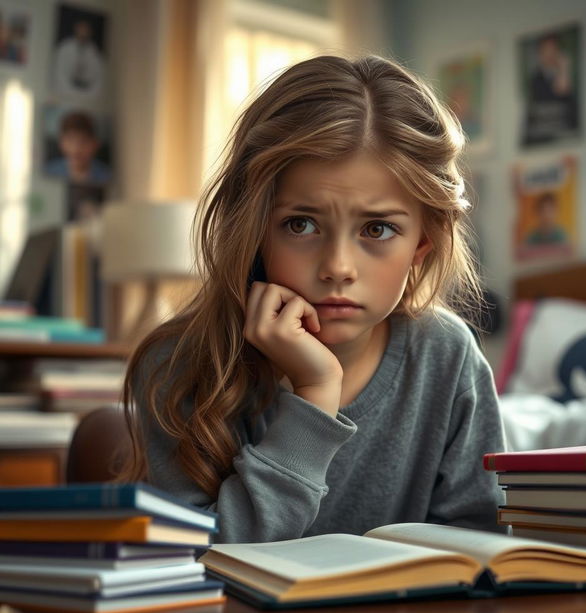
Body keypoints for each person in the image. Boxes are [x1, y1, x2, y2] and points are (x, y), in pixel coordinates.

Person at [119, 55, 506, 543]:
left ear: (421, 243)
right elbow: (200, 564)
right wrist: (315, 396)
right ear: (255, 230)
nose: (338, 267)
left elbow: (481, 552)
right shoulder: (177, 366)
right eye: (301, 224)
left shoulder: (448, 358)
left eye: (378, 228)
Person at [45, 111, 111, 185]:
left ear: (95, 144)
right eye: (70, 140)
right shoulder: (49, 171)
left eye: (83, 141)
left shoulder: (107, 176)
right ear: (61, 142)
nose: (76, 149)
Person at [52, 17, 104, 100]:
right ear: (76, 29)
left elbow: (98, 80)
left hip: (88, 96)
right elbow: (59, 74)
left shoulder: (95, 52)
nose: (83, 32)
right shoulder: (64, 48)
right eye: (81, 29)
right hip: (66, 93)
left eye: (86, 30)